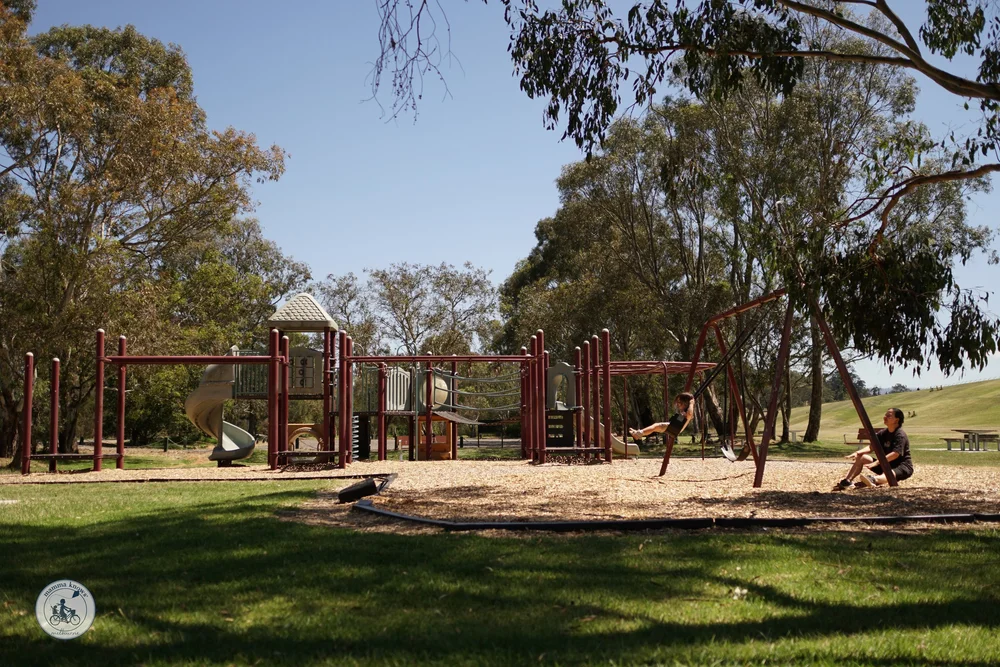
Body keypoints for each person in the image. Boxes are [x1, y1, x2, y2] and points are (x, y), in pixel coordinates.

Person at [835, 408, 913, 490]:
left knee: (890, 473)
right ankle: (847, 481)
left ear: (896, 420)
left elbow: (895, 454)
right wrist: (858, 453)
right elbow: (871, 447)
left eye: (888, 416)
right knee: (862, 457)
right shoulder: (883, 433)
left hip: (902, 466)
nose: (885, 417)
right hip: (885, 464)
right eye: (885, 415)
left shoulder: (900, 435)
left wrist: (877, 463)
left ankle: (873, 479)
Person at [629, 392, 695, 441]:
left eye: (680, 403)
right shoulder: (684, 410)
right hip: (675, 426)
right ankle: (639, 433)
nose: (678, 404)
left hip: (676, 427)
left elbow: (689, 415)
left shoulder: (688, 411)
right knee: (655, 427)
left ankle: (639, 433)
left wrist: (691, 403)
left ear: (685, 403)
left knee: (656, 426)